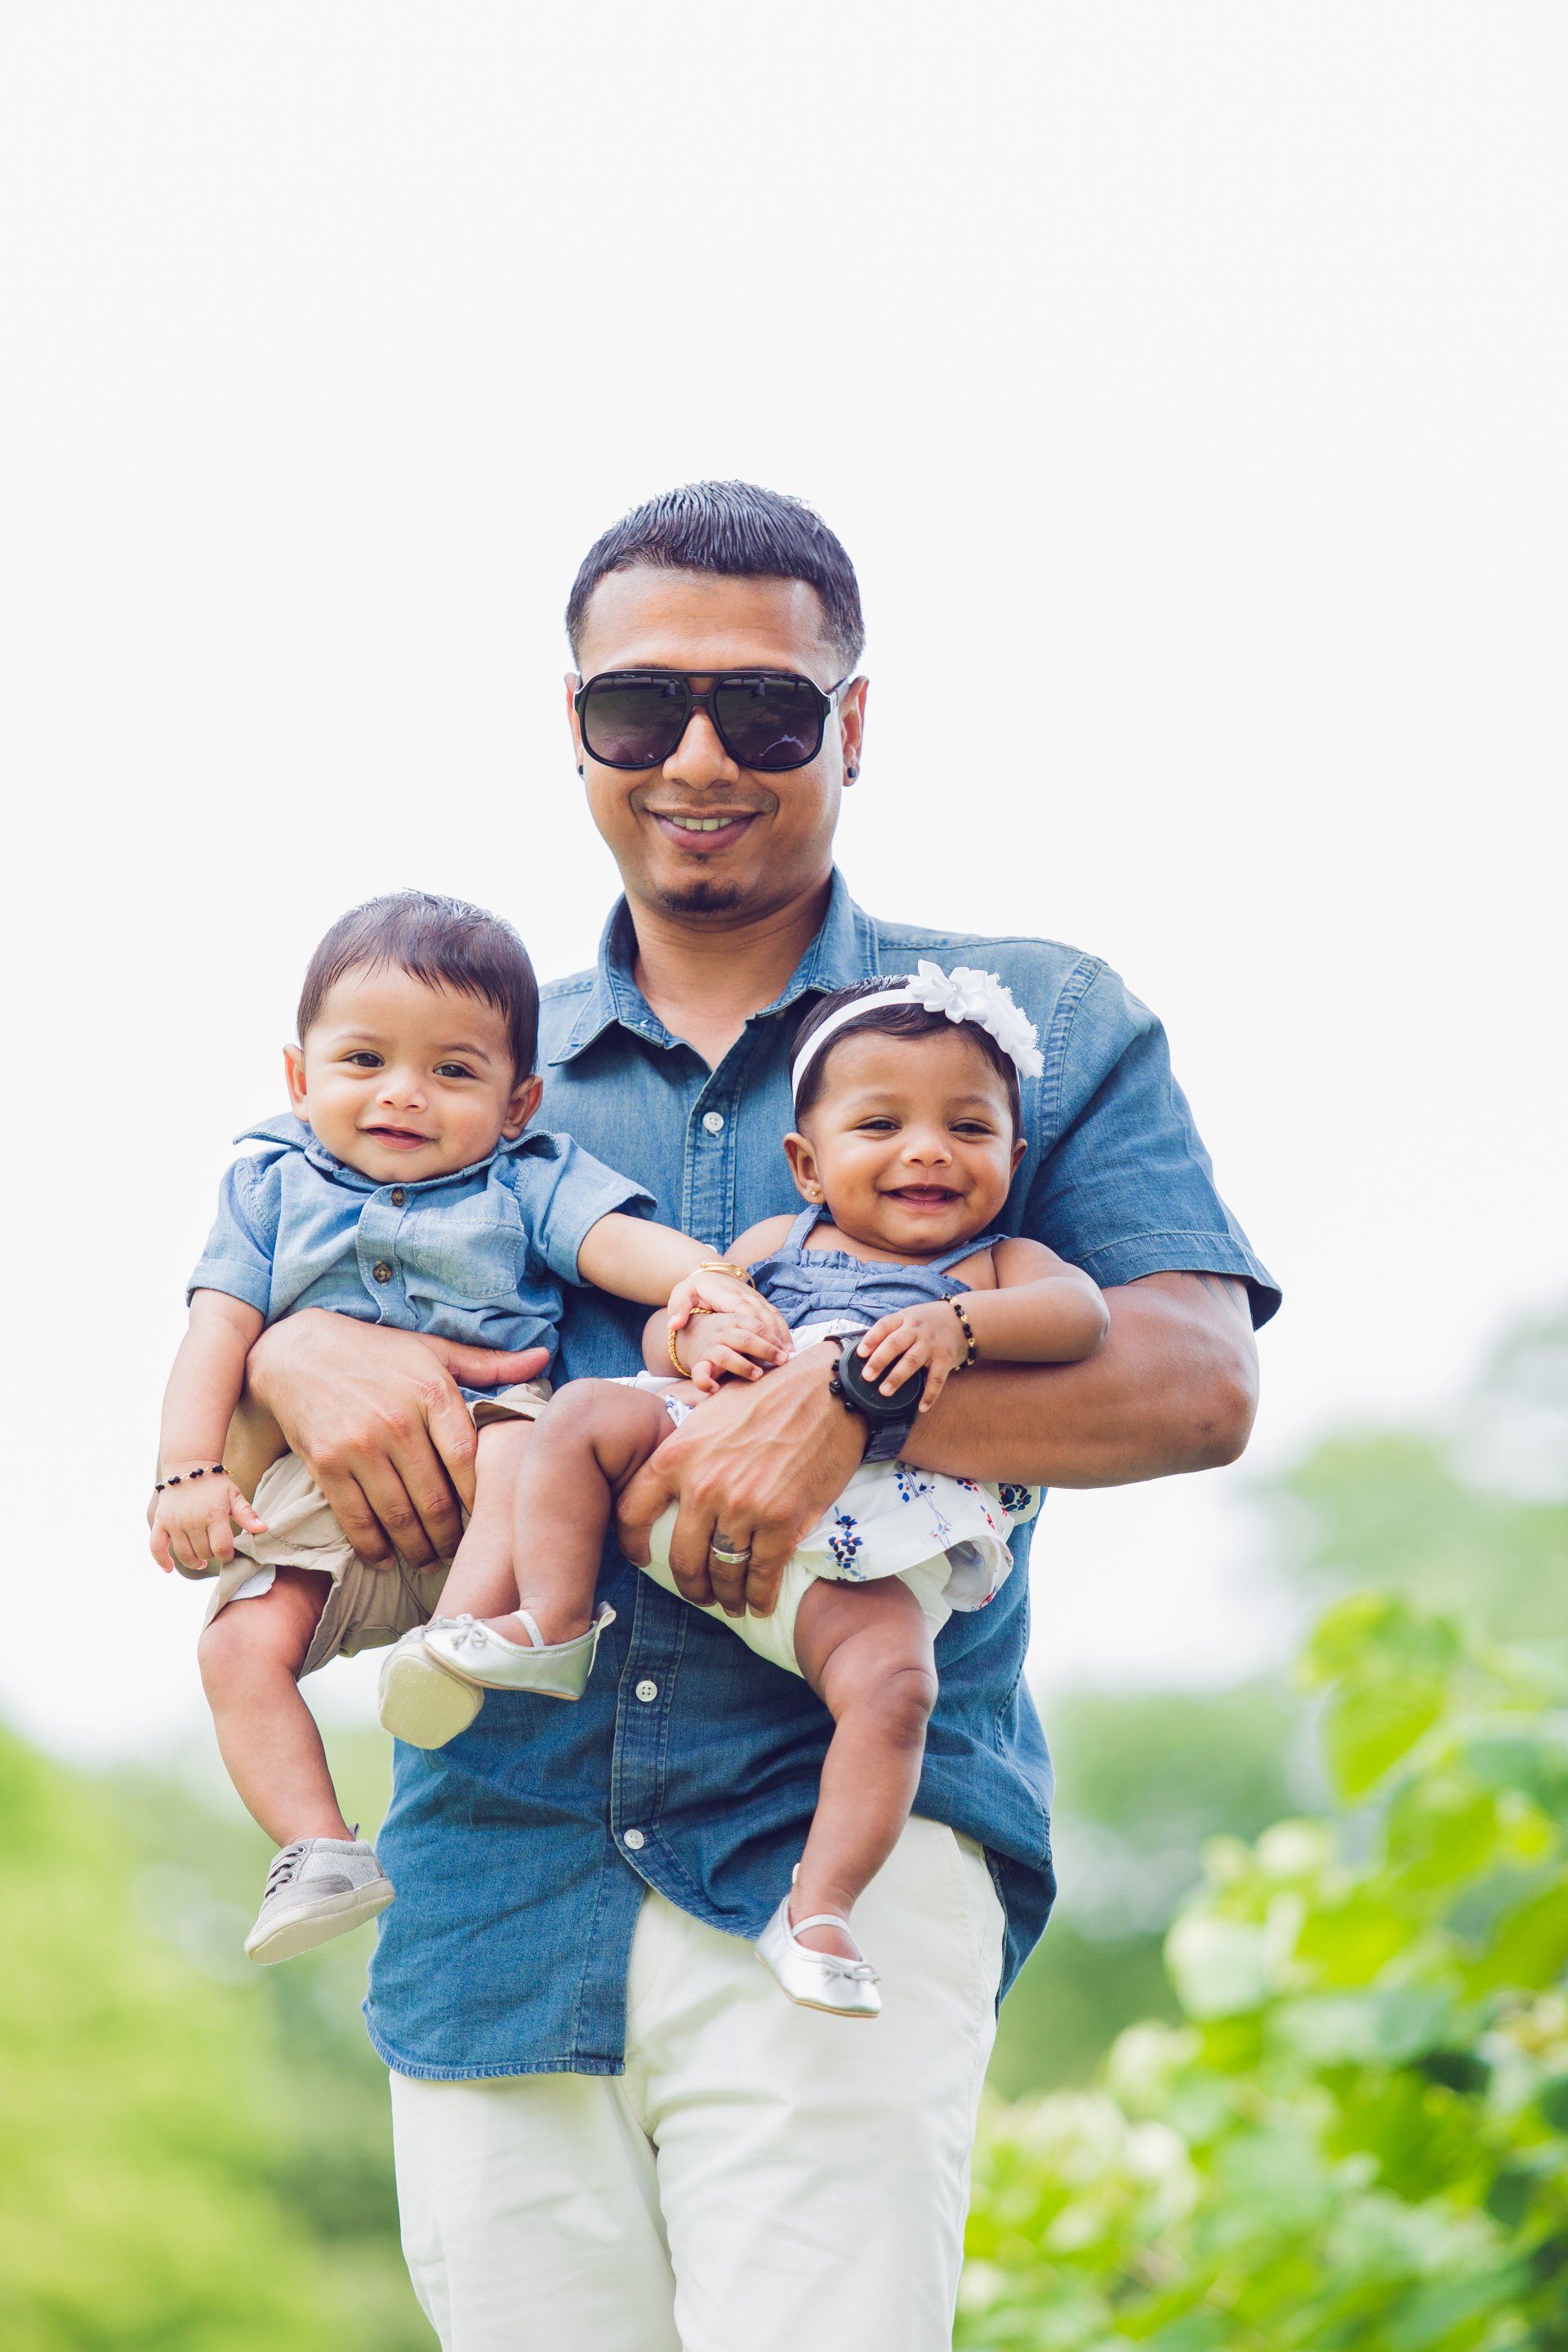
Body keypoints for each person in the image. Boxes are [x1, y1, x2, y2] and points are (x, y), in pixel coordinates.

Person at [225, 481, 1280, 2352]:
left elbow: (1194, 1382)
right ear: (577, 731)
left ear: (852, 724)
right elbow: (246, 1391)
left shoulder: (1026, 1027)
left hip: (833, 1859)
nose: (700, 755)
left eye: (766, 709)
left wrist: (846, 1408)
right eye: (641, 710)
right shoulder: (453, 1052)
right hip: (494, 1883)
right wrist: (292, 1362)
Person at [379, 965, 1108, 2025]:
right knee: (575, 1422)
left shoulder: (997, 1269)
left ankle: (818, 1909)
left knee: (897, 1693)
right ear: (806, 1165)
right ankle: (549, 1620)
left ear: (1013, 1158)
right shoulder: (779, 1247)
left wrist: (961, 1329)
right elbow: (671, 1322)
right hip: (698, 1476)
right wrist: (701, 1328)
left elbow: (1082, 1317)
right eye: (881, 1123)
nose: (928, 1149)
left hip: (854, 1559)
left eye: (969, 1127)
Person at [152, 888, 784, 1963]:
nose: (405, 1094)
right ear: (299, 1079)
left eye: (453, 1071)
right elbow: (217, 1328)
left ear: (518, 1102)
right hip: (321, 1487)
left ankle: (498, 1632)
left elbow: (619, 1249)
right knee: (236, 1647)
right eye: (364, 1063)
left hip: (495, 1441)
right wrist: (187, 1475)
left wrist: (708, 1285)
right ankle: (318, 1847)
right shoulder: (268, 1186)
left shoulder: (527, 1179)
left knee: (523, 1441)